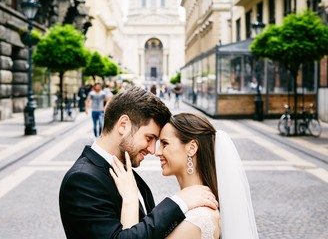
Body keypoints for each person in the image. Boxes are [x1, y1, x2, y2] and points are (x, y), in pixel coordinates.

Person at [59, 87, 218, 239]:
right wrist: (179, 201)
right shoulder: (82, 180)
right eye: (149, 138)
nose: (152, 150)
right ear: (123, 125)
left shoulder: (126, 172)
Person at [111, 113, 259, 239]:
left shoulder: (198, 220)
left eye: (165, 143)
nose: (157, 152)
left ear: (192, 148)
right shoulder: (192, 207)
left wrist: (129, 199)